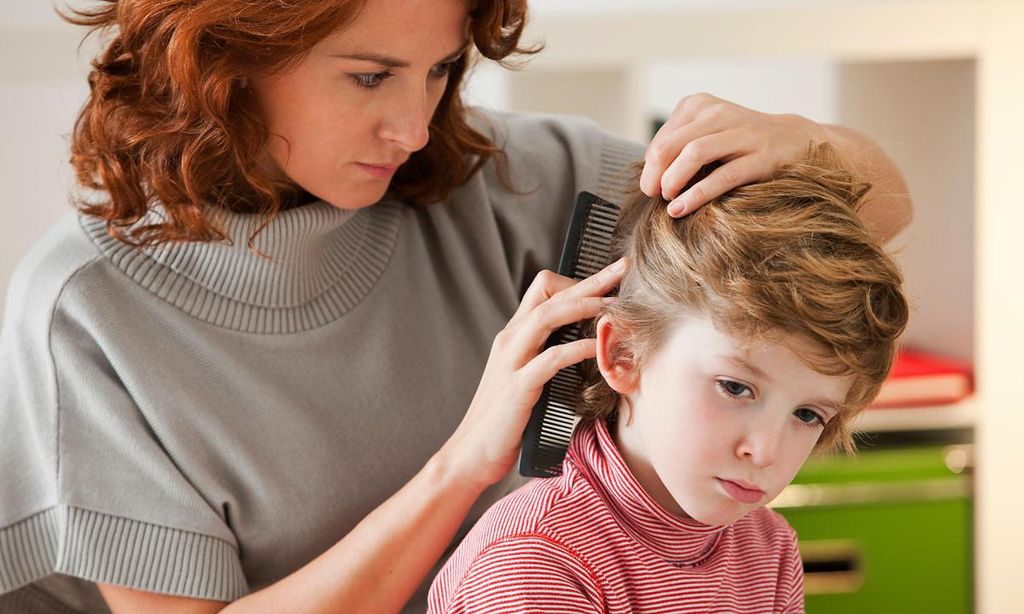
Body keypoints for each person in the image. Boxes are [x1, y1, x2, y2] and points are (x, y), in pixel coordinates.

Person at [0, 0, 912, 611]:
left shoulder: (520, 181)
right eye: (369, 76)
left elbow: (878, 211)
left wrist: (796, 141)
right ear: (225, 57)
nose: (413, 126)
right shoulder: (88, 311)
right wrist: (464, 467)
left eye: (438, 72)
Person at [427, 144, 909, 613]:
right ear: (624, 354)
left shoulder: (767, 550)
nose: (765, 451)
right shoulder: (534, 565)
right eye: (735, 387)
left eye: (807, 414)